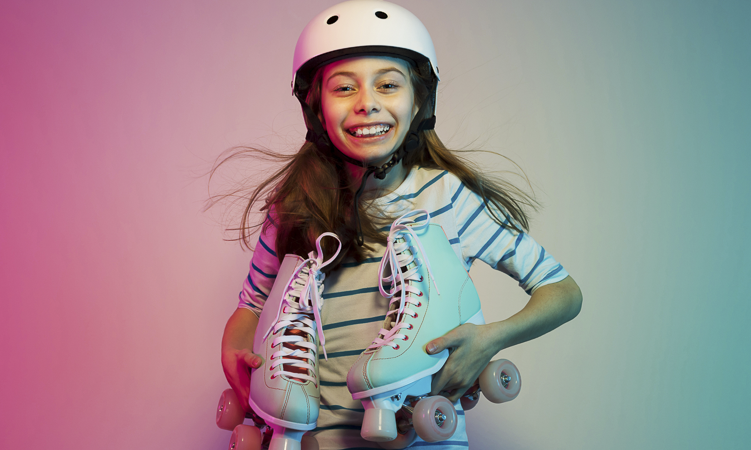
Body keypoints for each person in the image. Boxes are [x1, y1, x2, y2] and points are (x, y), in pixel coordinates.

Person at [216, 1, 582, 448]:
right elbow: (252, 305)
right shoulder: (294, 205)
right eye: (344, 89)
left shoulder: (447, 198)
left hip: (419, 435)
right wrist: (233, 347)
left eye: (388, 85)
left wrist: (489, 339)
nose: (367, 104)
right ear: (315, 107)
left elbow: (562, 292)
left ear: (419, 100)